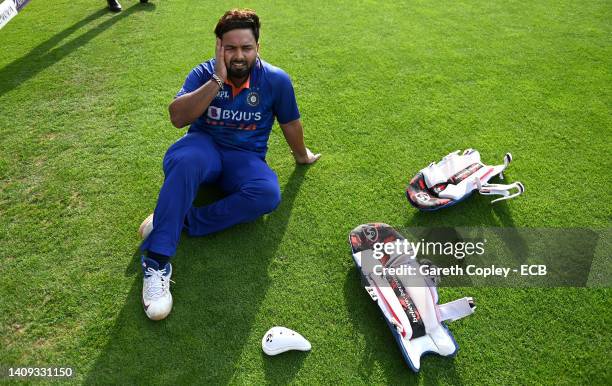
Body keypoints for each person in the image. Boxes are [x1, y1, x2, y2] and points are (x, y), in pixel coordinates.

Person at [137, 9, 321, 320]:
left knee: (267, 193)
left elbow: (290, 123)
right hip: (202, 151)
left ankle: (180, 219)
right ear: (219, 46)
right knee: (186, 159)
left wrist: (301, 155)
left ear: (257, 48)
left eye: (246, 48)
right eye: (230, 48)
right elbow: (178, 118)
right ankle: (156, 261)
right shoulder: (202, 74)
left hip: (244, 159)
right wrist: (217, 80)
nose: (239, 55)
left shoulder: (275, 80)